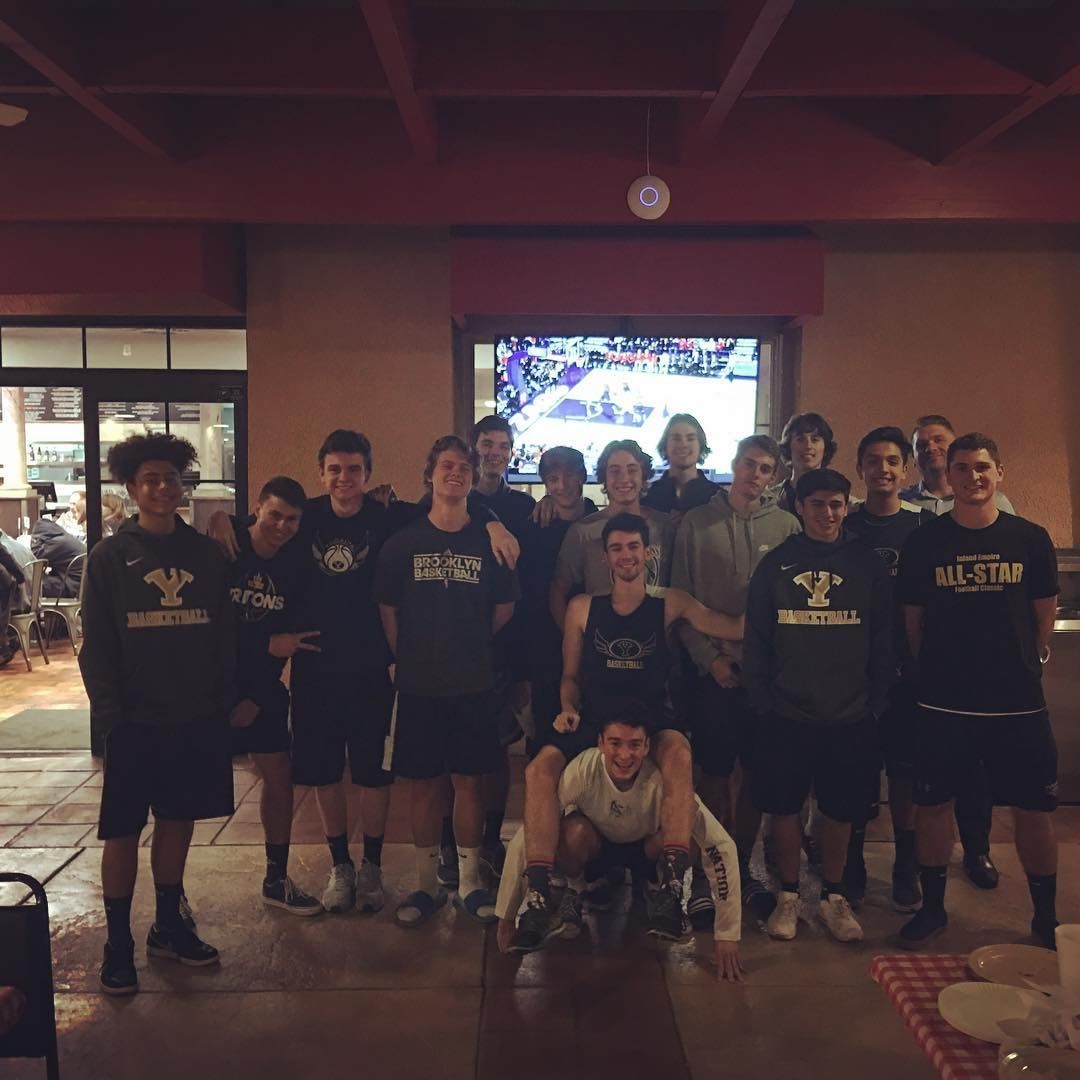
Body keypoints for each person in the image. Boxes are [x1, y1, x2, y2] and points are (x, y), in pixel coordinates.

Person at [208, 429, 519, 916]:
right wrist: (221, 519)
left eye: (354, 469)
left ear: (369, 474)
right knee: (325, 773)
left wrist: (495, 524)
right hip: (316, 665)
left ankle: (371, 866)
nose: (344, 478)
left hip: (375, 667)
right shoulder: (304, 516)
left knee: (375, 773)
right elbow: (263, 524)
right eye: (335, 469)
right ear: (322, 473)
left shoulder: (390, 517)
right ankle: (341, 866)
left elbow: (451, 505)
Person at [517, 512, 743, 947]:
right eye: (617, 548)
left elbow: (725, 625)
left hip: (649, 720)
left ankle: (672, 887)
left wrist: (782, 608)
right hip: (595, 720)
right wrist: (566, 707)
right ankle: (539, 892)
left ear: (648, 552)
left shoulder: (671, 602)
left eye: (633, 547)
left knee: (678, 751)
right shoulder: (582, 607)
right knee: (537, 770)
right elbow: (569, 675)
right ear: (605, 557)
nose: (626, 555)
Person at [79, 433, 234, 996]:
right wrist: (111, 718)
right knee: (122, 832)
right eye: (151, 479)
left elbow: (225, 633)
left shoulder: (204, 553)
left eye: (171, 478)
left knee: (177, 821)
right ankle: (117, 942)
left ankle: (167, 925)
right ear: (131, 488)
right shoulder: (109, 557)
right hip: (133, 723)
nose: (163, 487)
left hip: (194, 717)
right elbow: (95, 646)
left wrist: (221, 700)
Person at [896, 433, 1060, 949]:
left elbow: (1043, 617)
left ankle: (1045, 916)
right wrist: (935, 672)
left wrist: (1024, 664)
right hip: (944, 702)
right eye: (961, 468)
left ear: (999, 473)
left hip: (1017, 702)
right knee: (934, 807)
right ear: (950, 476)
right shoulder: (925, 541)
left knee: (1033, 810)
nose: (973, 477)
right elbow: (913, 623)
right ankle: (934, 910)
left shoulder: (1031, 539)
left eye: (982, 467)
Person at [743, 468, 892, 943]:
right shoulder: (776, 565)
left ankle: (832, 895)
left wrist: (874, 702)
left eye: (836, 504)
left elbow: (884, 641)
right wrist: (764, 701)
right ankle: (788, 896)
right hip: (786, 714)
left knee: (840, 810)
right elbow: (757, 642)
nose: (826, 513)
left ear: (846, 506)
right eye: (816, 504)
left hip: (849, 715)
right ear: (799, 508)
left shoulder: (867, 564)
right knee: (783, 809)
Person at [376, 435, 519, 929]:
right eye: (446, 466)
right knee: (424, 788)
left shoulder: (489, 542)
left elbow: (504, 609)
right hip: (418, 686)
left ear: (474, 477)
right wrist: (411, 655)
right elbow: (388, 611)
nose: (455, 473)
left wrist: (468, 641)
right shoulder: (403, 543)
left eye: (464, 467)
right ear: (430, 475)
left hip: (473, 683)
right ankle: (424, 883)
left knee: (469, 785)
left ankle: (472, 882)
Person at [495, 703, 744, 982]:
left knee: (687, 832)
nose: (625, 755)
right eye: (615, 743)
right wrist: (506, 915)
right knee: (568, 831)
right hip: (596, 851)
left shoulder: (662, 781)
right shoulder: (583, 769)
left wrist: (727, 934)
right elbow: (530, 833)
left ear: (648, 746)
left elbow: (721, 846)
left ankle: (662, 888)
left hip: (646, 852)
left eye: (635, 744)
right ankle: (576, 890)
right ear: (600, 743)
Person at [671, 433, 799, 926]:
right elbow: (680, 601)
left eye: (766, 469)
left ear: (774, 476)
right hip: (713, 673)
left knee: (755, 777)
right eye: (749, 464)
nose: (755, 475)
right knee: (713, 774)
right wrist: (711, 661)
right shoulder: (696, 523)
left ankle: (741, 866)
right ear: (733, 464)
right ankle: (708, 872)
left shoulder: (787, 527)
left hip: (767, 677)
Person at [902, 414, 1015, 890]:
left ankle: (977, 850)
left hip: (989, 669)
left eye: (938, 441)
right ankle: (921, 866)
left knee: (978, 771)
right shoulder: (904, 506)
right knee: (927, 771)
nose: (930, 448)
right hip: (932, 664)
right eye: (922, 444)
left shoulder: (995, 502)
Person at [842, 427, 933, 911]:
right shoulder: (846, 526)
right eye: (873, 460)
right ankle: (852, 860)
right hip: (855, 672)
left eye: (892, 461)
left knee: (904, 774)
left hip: (908, 674)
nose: (883, 469)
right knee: (859, 772)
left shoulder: (923, 528)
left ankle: (905, 864)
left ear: (906, 469)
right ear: (861, 469)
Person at [227, 475, 322, 915]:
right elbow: (207, 631)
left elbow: (286, 643)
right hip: (207, 685)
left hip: (260, 687)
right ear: (257, 509)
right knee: (181, 794)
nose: (282, 526)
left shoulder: (295, 567)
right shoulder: (222, 549)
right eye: (274, 515)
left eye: (292, 520)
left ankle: (276, 877)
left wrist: (257, 695)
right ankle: (173, 897)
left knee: (279, 776)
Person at [467, 416, 535, 884]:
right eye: (487, 444)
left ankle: (490, 839)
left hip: (509, 642)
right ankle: (457, 844)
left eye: (503, 445)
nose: (495, 452)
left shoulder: (526, 507)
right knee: (458, 753)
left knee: (498, 748)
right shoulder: (453, 499)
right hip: (456, 642)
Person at [517, 447, 597, 756]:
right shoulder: (533, 527)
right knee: (547, 742)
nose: (561, 485)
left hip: (595, 646)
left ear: (583, 477)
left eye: (569, 475)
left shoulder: (600, 524)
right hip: (545, 649)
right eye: (552, 478)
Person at [549, 439, 674, 632]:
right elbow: (558, 591)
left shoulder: (666, 526)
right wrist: (574, 639)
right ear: (604, 478)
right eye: (614, 471)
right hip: (602, 648)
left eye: (632, 470)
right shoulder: (583, 531)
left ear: (643, 476)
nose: (624, 478)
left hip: (658, 645)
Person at [643, 413, 718, 520]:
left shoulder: (717, 498)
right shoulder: (649, 497)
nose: (683, 444)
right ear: (665, 445)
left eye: (690, 438)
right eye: (676, 438)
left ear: (700, 445)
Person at [774, 412, 837, 515]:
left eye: (815, 440)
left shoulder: (841, 501)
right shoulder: (771, 501)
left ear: (825, 448)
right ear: (788, 447)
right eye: (800, 439)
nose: (808, 446)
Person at [30, 515, 85, 598]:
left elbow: (34, 558)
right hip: (77, 584)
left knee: (31, 584)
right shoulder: (63, 538)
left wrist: (34, 541)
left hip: (70, 586)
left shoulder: (58, 543)